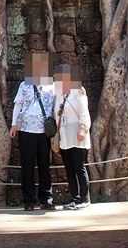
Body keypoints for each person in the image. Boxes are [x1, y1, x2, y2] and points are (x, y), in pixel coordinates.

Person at [9, 51, 55, 211]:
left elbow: (64, 97)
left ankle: (46, 198)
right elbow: (18, 105)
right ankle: (28, 200)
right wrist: (14, 125)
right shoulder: (24, 85)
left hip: (44, 131)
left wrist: (80, 89)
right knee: (27, 166)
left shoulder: (52, 85)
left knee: (44, 166)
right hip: (26, 130)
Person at [53, 64, 91, 210]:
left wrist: (82, 128)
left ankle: (85, 198)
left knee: (79, 167)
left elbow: (84, 112)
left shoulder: (77, 92)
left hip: (76, 134)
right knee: (69, 168)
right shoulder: (58, 94)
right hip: (64, 136)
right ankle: (75, 197)